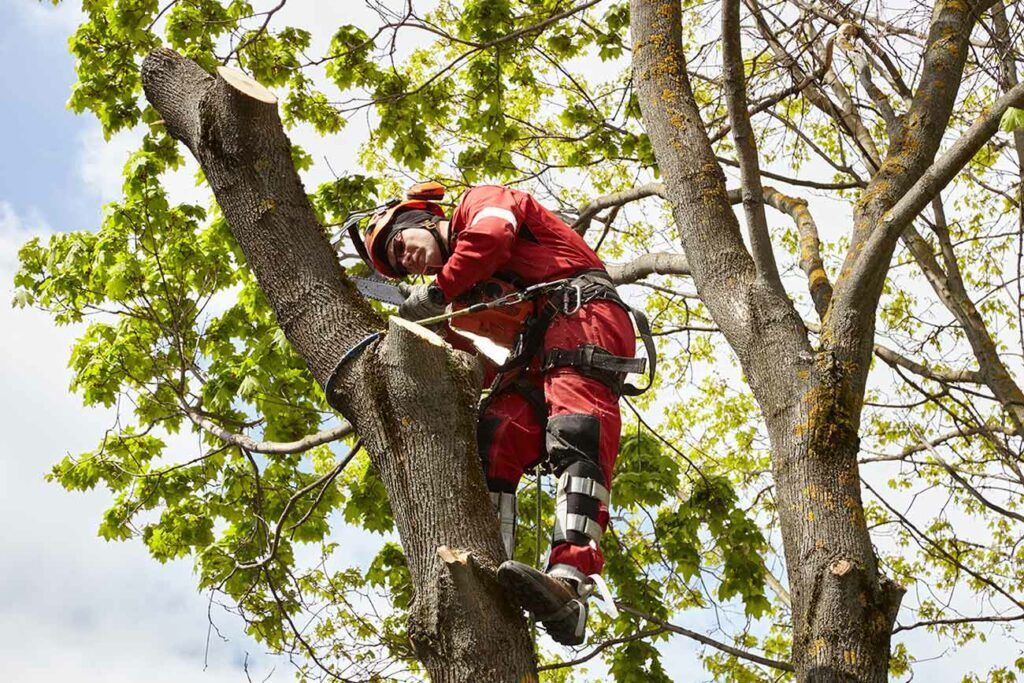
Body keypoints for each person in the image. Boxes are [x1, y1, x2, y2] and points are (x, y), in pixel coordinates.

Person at [360, 183, 652, 645]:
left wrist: (436, 294)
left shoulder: (481, 204)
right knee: (496, 434)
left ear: (421, 218)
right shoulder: (464, 290)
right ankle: (489, 570)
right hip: (535, 348)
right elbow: (475, 366)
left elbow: (492, 237)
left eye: (401, 246)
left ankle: (571, 580)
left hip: (584, 314)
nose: (407, 261)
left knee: (575, 431)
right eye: (399, 266)